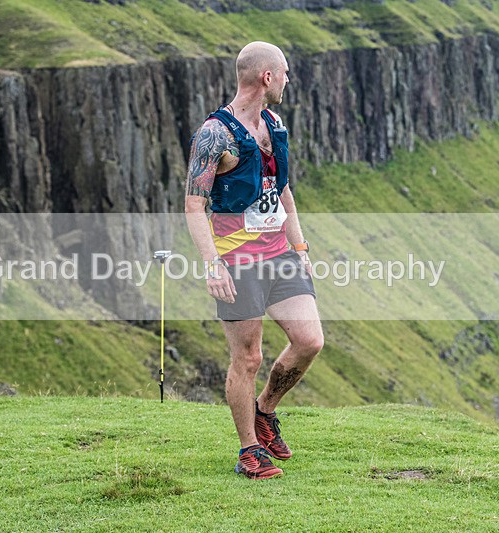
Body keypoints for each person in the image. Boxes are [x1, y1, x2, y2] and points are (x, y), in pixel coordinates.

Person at [185, 42, 324, 479]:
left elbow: (282, 190)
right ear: (267, 77)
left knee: (309, 340)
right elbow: (193, 206)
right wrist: (213, 264)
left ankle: (265, 410)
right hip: (237, 258)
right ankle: (249, 452)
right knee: (247, 358)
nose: (288, 79)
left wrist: (300, 249)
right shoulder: (215, 135)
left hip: (279, 254)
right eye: (284, 72)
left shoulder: (274, 123)